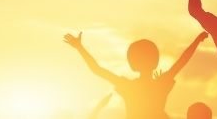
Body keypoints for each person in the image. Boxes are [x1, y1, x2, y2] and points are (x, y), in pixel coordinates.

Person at [64, 32, 209, 119]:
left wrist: (80, 48)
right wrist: (196, 41)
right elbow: (181, 62)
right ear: (155, 60)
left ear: (132, 61)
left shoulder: (129, 86)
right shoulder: (160, 84)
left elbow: (97, 69)